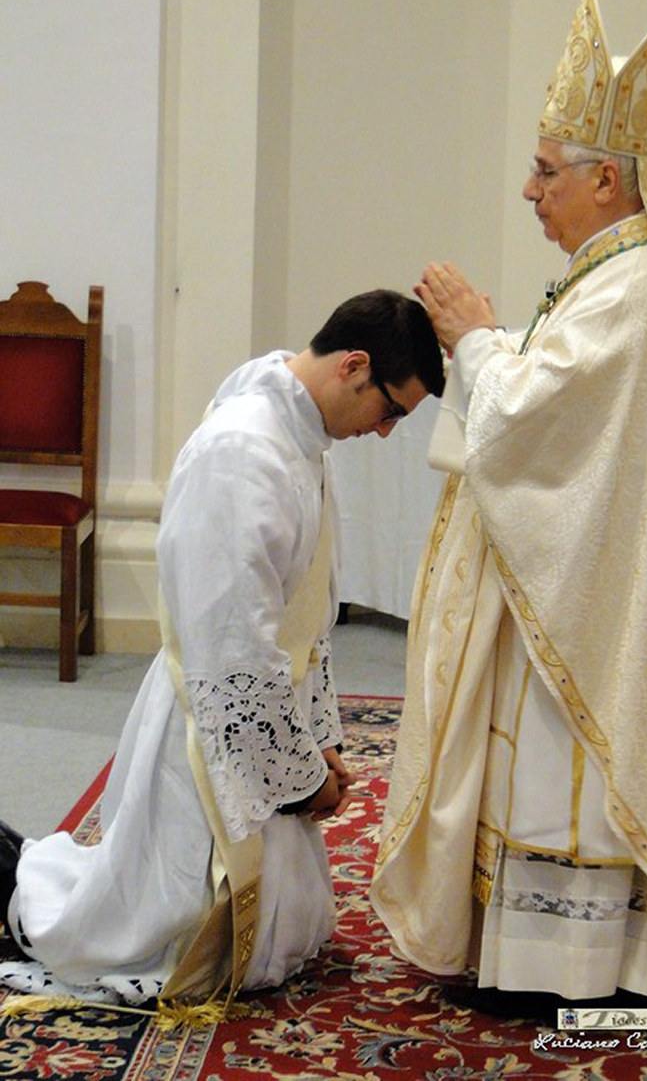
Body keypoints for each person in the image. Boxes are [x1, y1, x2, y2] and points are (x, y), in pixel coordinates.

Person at [370, 0, 647, 1017]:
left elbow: (536, 423)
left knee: (559, 771)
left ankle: (560, 968)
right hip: (606, 578)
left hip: (589, 601)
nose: (529, 192)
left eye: (543, 173)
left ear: (607, 180)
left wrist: (472, 330)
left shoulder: (635, 288)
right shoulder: (631, 274)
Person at [0, 289, 444, 1007]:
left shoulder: (299, 429)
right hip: (209, 729)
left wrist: (316, 738)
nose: (387, 431)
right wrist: (297, 779)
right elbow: (231, 645)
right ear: (354, 366)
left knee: (280, 932)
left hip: (255, 714)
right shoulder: (243, 451)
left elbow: (303, 613)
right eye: (391, 409)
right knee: (166, 933)